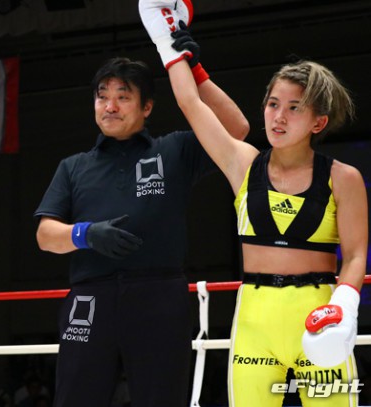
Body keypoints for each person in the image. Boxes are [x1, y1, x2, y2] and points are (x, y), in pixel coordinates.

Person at [145, 2, 368, 405]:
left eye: (294, 108)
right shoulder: (243, 164)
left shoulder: (343, 178)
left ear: (318, 122)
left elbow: (354, 256)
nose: (279, 117)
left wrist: (344, 306)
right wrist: (168, 44)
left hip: (318, 315)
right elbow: (191, 105)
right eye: (273, 104)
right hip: (254, 322)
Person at [33, 6, 249, 404]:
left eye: (122, 97)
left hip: (158, 294)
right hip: (90, 297)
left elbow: (235, 129)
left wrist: (194, 70)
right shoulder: (73, 166)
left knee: (161, 398)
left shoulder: (174, 150)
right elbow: (46, 236)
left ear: (147, 107)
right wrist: (85, 235)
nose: (110, 106)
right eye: (102, 97)